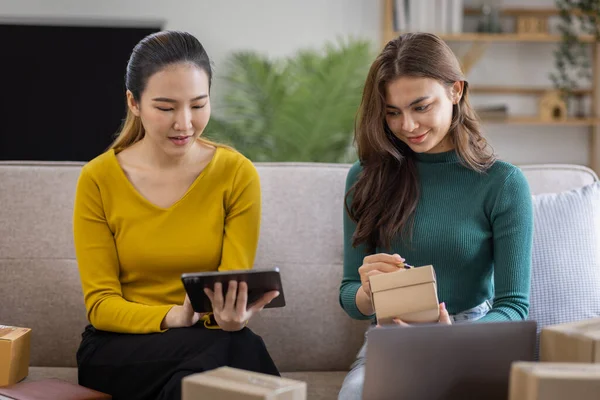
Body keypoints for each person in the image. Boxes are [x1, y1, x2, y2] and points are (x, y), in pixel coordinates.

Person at [73, 30, 280, 400]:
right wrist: (176, 316)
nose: (184, 123)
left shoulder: (236, 174)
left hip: (206, 343)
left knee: (202, 370)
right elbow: (101, 305)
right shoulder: (98, 179)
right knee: (239, 350)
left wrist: (230, 317)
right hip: (118, 347)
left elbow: (228, 286)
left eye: (198, 105)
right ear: (134, 103)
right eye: (166, 108)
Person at [337, 32, 534, 399]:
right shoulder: (365, 177)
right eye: (393, 112)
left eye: (420, 107)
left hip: (472, 339)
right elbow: (349, 293)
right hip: (392, 338)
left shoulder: (503, 183)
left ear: (455, 91)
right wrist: (367, 294)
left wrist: (451, 339)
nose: (407, 125)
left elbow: (514, 306)